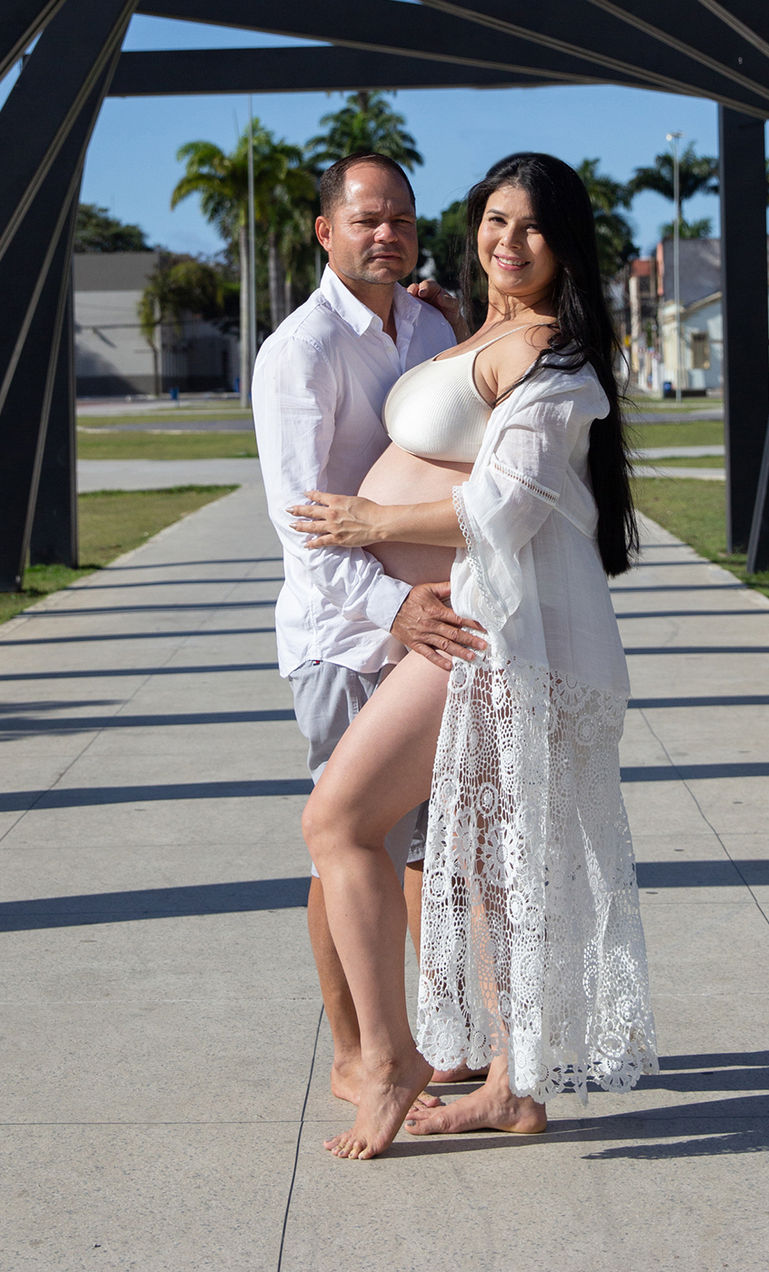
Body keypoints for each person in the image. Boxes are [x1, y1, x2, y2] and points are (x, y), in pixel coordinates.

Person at [291, 152, 658, 1159]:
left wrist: (371, 519)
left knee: (339, 822)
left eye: (533, 227)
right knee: (496, 866)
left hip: (493, 635)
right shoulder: (482, 328)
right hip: (474, 629)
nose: (510, 238)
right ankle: (514, 1087)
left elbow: (506, 504)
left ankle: (396, 1060)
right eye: (496, 218)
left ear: (566, 245)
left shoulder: (553, 353)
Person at [252, 151, 487, 1107]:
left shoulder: (427, 320)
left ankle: (443, 1037)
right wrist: (396, 607)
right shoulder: (299, 351)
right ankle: (353, 1054)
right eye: (366, 219)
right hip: (348, 637)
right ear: (326, 231)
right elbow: (301, 520)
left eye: (399, 218)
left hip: (429, 637)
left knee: (435, 843)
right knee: (349, 837)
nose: (385, 233)